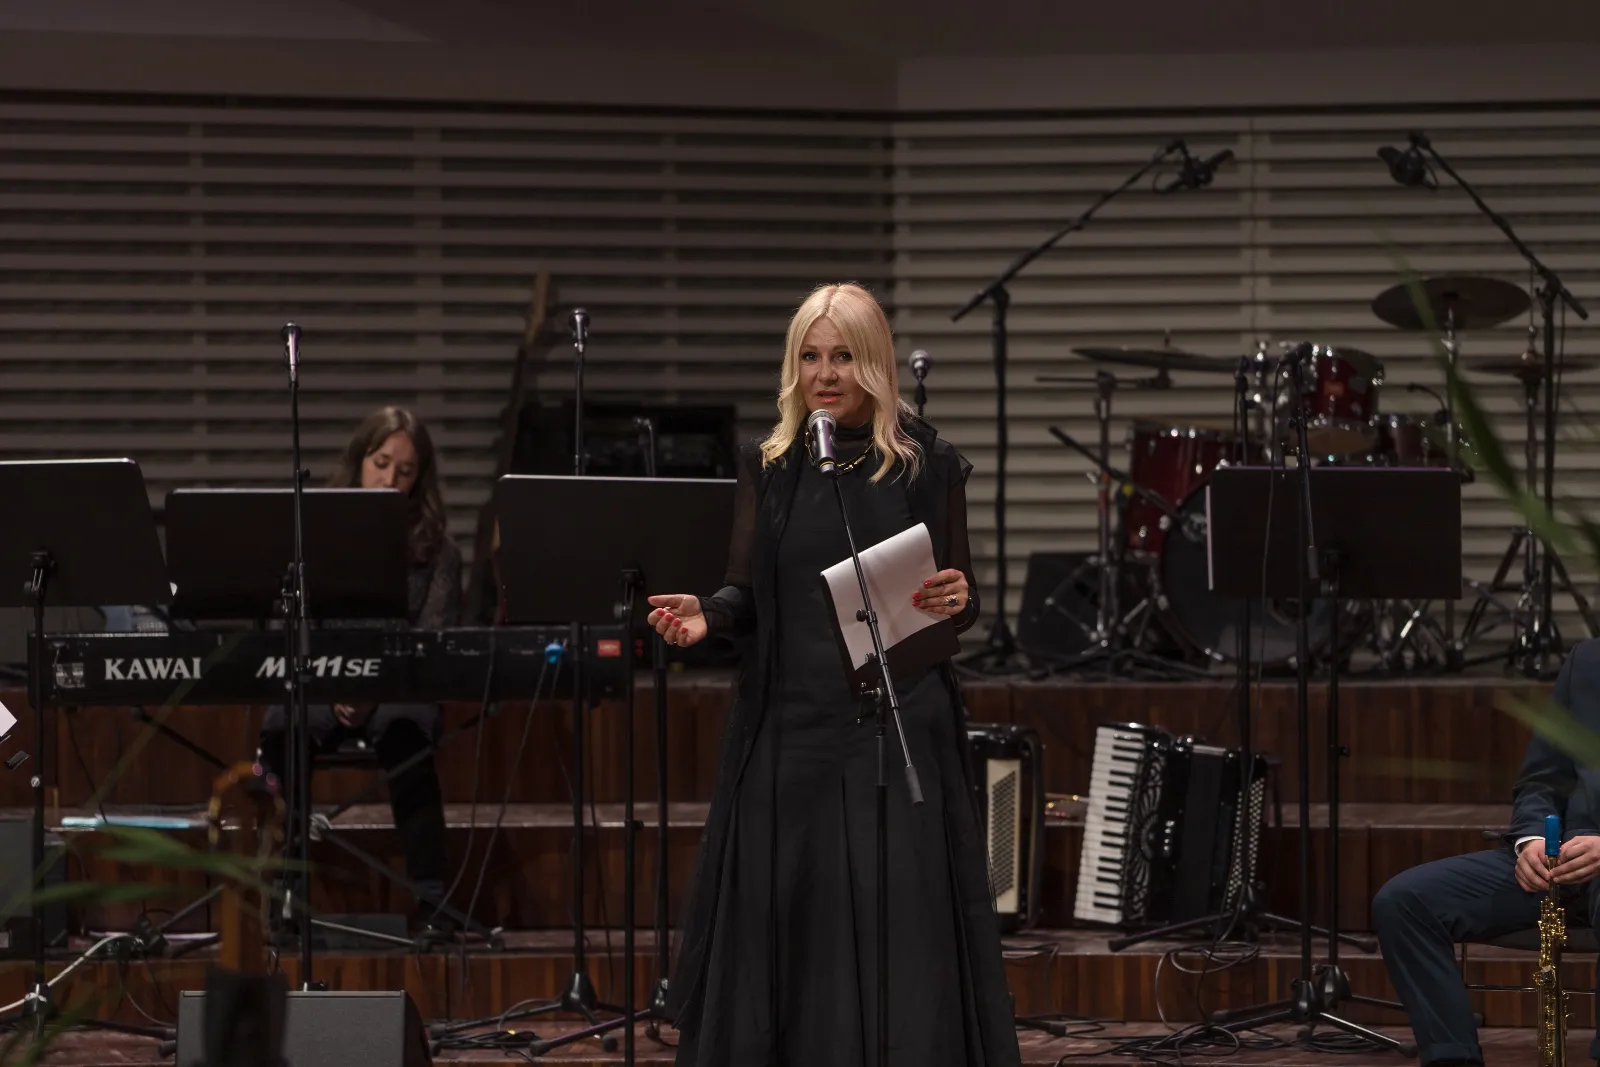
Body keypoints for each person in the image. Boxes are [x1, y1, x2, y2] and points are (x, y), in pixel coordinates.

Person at [649, 283, 1021, 1067]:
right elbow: (746, 592)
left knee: (898, 930)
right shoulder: (772, 466)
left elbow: (959, 600)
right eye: (811, 356)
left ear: (875, 361)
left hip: (894, 723)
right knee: (789, 920)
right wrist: (708, 615)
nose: (825, 373)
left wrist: (959, 598)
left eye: (844, 356)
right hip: (789, 731)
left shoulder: (926, 463)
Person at [257, 405, 462, 932]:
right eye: (381, 463)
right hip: (324, 681)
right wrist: (336, 684)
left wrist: (372, 687)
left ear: (419, 480)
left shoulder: (438, 553)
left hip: (398, 686)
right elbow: (294, 628)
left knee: (408, 731)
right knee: (284, 728)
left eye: (405, 470)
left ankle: (432, 901)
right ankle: (285, 897)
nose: (390, 479)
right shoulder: (314, 536)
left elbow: (430, 641)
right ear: (360, 462)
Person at [1372, 637, 1600, 1067]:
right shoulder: (1588, 661)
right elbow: (1541, 780)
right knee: (1405, 902)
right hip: (1560, 862)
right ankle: (1452, 1058)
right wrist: (1532, 840)